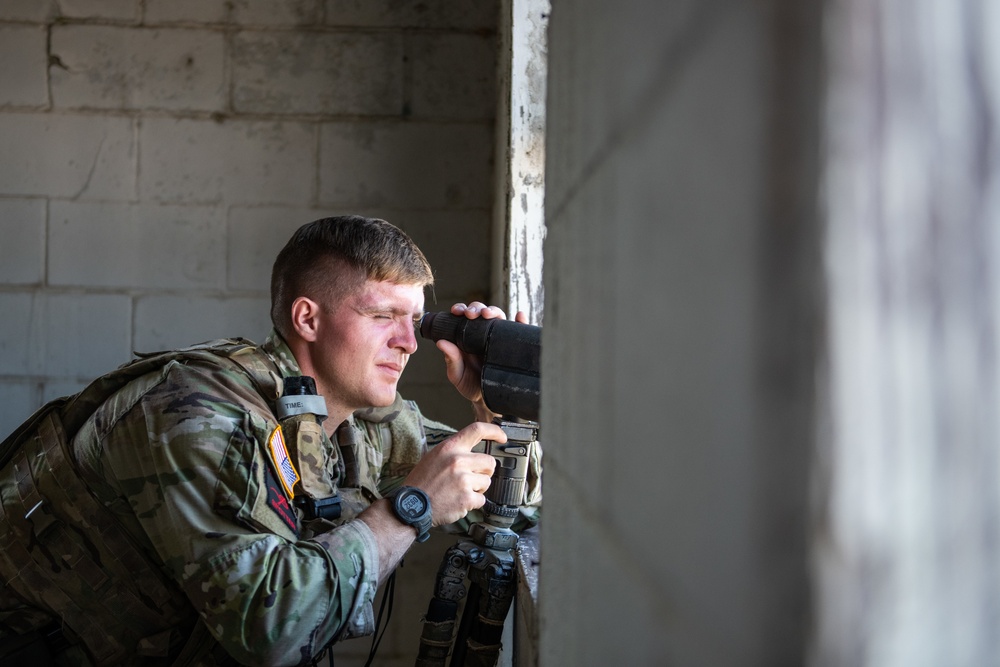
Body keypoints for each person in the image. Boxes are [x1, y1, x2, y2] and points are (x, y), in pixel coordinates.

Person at [0, 216, 540, 666]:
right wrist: (409, 509)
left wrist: (498, 403)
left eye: (416, 322)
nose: (406, 344)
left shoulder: (355, 421)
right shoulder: (196, 415)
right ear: (308, 318)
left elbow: (520, 501)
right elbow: (273, 629)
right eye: (382, 317)